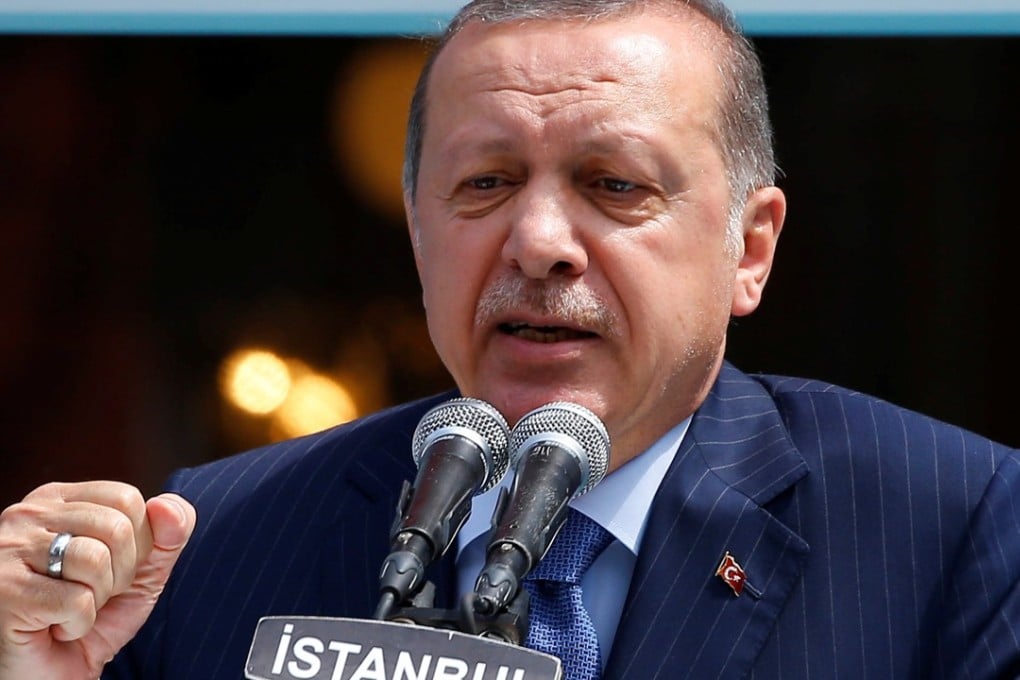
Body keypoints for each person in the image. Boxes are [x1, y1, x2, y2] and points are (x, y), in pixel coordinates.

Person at [1, 0, 1018, 678]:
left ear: (749, 248)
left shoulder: (958, 528)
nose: (537, 242)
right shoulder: (212, 537)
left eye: (614, 184)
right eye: (484, 183)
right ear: (417, 229)